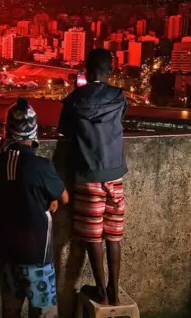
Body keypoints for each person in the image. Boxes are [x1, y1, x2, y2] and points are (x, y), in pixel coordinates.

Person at [58, 48, 128, 305]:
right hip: (115, 175)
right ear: (109, 70)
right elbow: (121, 119)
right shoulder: (119, 97)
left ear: (86, 71)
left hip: (88, 174)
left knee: (93, 234)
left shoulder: (74, 100)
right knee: (114, 234)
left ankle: (99, 289)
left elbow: (64, 130)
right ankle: (115, 289)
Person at [0, 97, 69, 318]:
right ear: (33, 133)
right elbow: (63, 197)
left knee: (10, 310)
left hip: (6, 253)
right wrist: (50, 199)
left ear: (8, 131)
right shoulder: (41, 167)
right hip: (37, 256)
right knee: (43, 313)